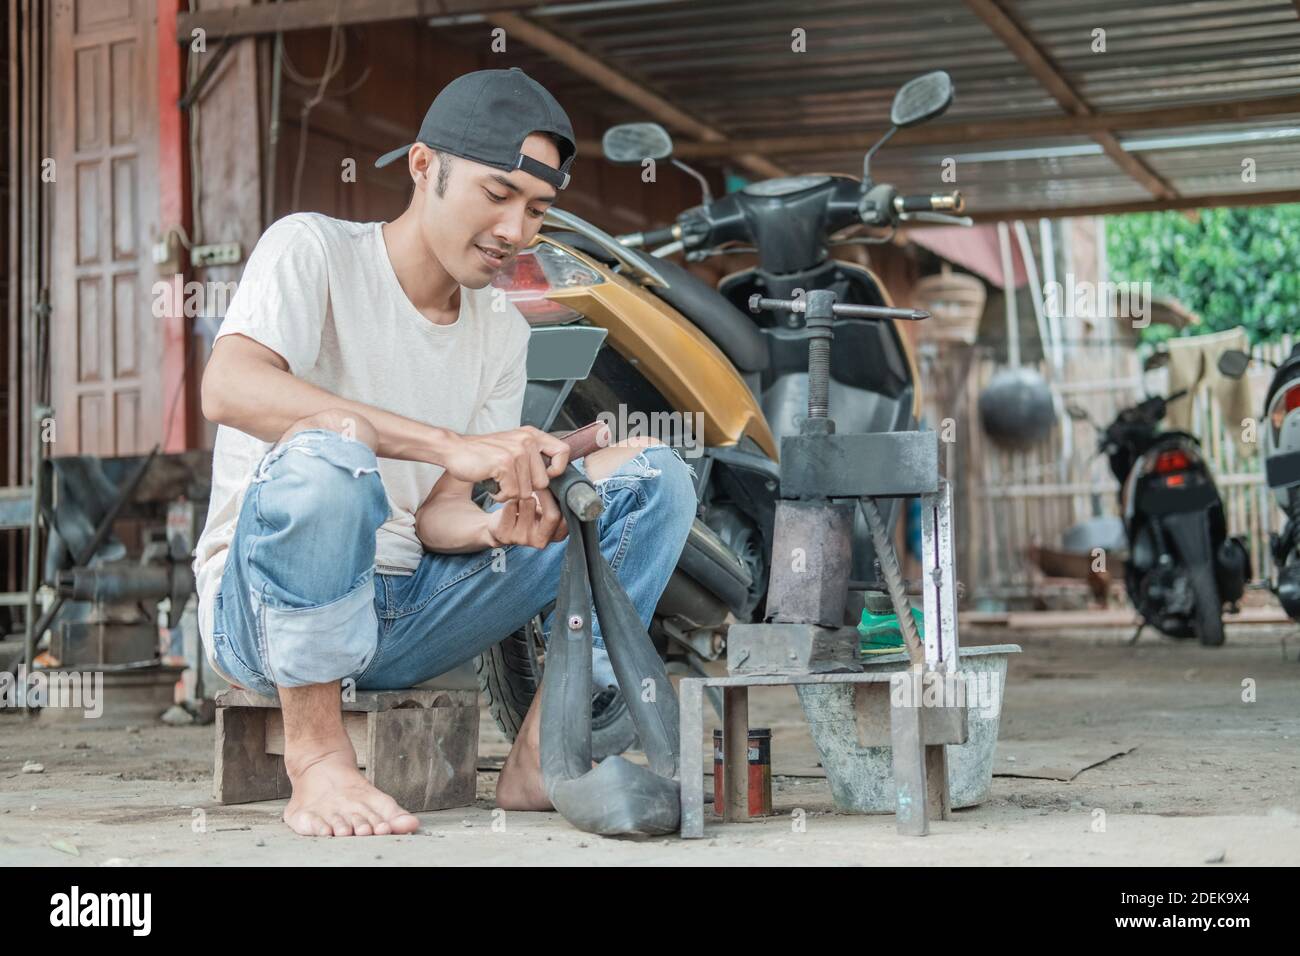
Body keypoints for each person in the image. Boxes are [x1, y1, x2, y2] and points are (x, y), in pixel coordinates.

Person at [193, 68, 696, 838]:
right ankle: (319, 763)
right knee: (331, 453)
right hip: (263, 617)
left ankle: (544, 754)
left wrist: (500, 527)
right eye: (498, 196)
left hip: (406, 616)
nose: (517, 232)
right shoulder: (313, 251)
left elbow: (438, 518)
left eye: (537, 210)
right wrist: (449, 444)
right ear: (424, 167)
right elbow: (228, 387)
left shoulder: (502, 331)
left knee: (652, 475)